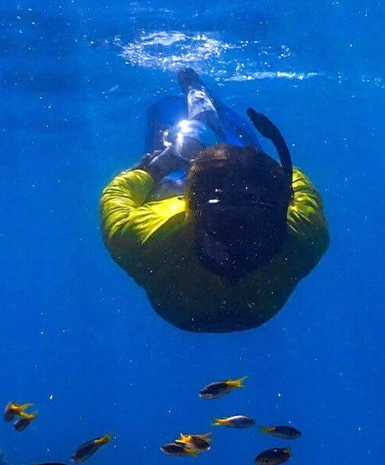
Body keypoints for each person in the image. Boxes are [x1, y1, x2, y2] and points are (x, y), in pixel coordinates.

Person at [99, 69, 328, 333]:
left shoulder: (149, 238)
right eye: (224, 218)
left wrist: (155, 168)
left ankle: (184, 148)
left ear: (188, 204)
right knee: (241, 165)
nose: (237, 242)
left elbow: (115, 197)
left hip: (184, 313)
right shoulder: (304, 236)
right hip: (255, 313)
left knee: (162, 187)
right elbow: (297, 182)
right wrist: (260, 172)